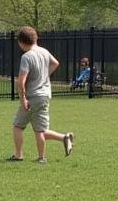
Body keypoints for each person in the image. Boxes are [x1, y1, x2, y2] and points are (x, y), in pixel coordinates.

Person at [8, 26, 74, 163]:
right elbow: (55, 63)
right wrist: (45, 76)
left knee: (18, 126)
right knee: (40, 129)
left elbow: (21, 82)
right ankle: (44, 155)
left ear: (21, 42)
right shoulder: (44, 51)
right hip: (45, 95)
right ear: (35, 38)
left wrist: (22, 99)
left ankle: (19, 155)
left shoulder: (26, 57)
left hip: (32, 96)